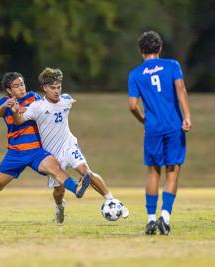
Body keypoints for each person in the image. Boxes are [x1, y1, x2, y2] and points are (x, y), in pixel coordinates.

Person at [0, 72, 90, 224]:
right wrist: (6, 105)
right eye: (16, 86)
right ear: (9, 90)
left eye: (22, 84)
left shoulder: (34, 98)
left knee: (55, 169)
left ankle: (77, 188)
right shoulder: (4, 102)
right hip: (15, 153)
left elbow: (46, 106)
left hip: (36, 149)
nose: (21, 88)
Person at [11, 67, 129, 223]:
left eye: (58, 87)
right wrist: (15, 112)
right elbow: (19, 121)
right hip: (52, 156)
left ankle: (112, 201)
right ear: (44, 88)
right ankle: (59, 206)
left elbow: (70, 100)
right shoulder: (37, 107)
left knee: (86, 172)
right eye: (52, 88)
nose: (56, 91)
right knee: (59, 191)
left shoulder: (66, 100)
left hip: (69, 146)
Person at [128, 31, 192, 235]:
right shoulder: (172, 65)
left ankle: (150, 219)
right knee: (172, 171)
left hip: (153, 128)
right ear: (160, 48)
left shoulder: (135, 74)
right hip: (174, 125)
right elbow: (181, 90)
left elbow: (132, 106)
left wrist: (143, 120)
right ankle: (165, 216)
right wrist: (187, 116)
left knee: (153, 171)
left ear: (141, 51)